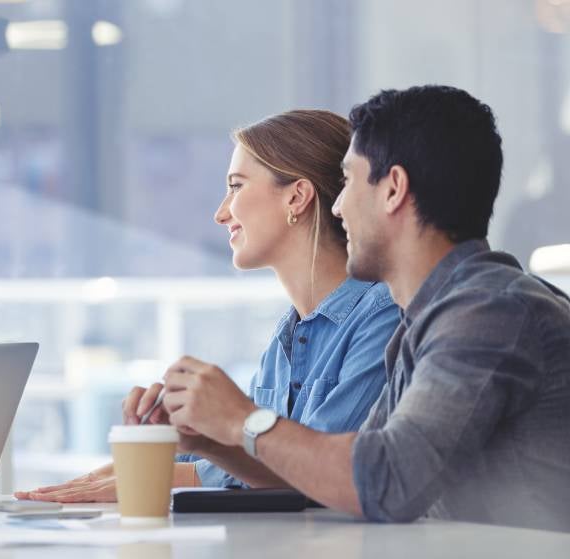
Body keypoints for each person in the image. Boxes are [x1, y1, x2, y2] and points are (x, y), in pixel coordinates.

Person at [143, 85, 570, 532]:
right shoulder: (427, 322)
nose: (339, 205)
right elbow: (340, 474)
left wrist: (242, 419)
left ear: (393, 190)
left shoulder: (490, 312)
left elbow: (389, 480)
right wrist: (219, 438)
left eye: (347, 181)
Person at [17, 110, 400, 503]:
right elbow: (269, 463)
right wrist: (179, 442)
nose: (221, 213)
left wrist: (175, 471)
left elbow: (321, 474)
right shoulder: (288, 338)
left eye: (236, 186)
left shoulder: (382, 316)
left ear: (297, 197)